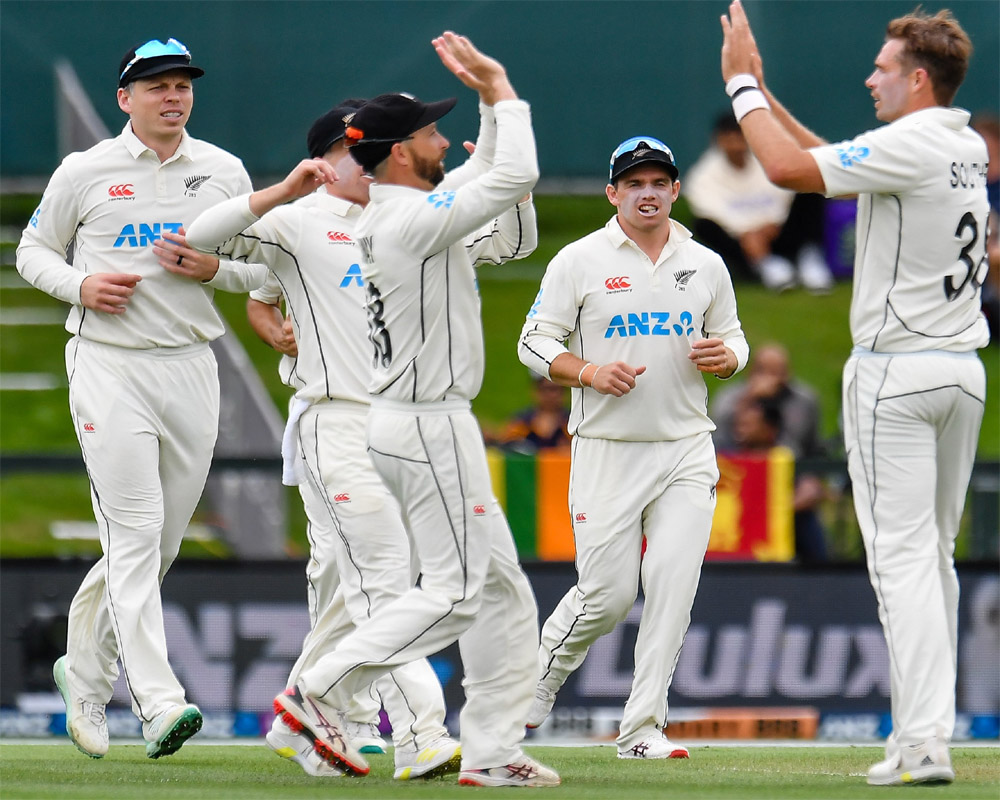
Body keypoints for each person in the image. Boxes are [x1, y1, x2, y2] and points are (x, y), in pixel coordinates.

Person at [269, 33, 559, 787]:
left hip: (421, 421)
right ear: (400, 153)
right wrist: (502, 92)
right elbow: (516, 173)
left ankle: (492, 752)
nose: (439, 139)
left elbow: (489, 174)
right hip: (426, 423)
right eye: (429, 132)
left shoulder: (408, 209)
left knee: (501, 591)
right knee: (458, 593)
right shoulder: (410, 221)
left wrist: (493, 117)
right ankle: (322, 692)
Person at [721, 1, 990, 785]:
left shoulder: (911, 142)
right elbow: (834, 162)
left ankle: (922, 743)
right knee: (931, 557)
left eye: (881, 67)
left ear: (915, 77)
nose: (868, 76)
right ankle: (929, 734)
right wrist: (766, 95)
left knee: (900, 561)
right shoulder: (961, 141)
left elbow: (785, 171)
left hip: (896, 372)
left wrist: (740, 84)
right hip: (959, 374)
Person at [188, 100, 467, 780]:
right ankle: (420, 734)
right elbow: (204, 236)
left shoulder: (407, 220)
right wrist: (284, 189)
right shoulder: (298, 222)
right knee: (383, 583)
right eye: (361, 151)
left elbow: (515, 238)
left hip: (406, 428)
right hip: (336, 424)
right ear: (328, 159)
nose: (375, 163)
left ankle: (308, 717)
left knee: (359, 591)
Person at [15, 38, 267, 759]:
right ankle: (159, 704)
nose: (173, 96)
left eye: (183, 84)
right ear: (125, 99)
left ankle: (83, 674)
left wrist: (215, 268)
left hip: (191, 365)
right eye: (155, 86)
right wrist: (80, 286)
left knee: (154, 547)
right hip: (108, 366)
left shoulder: (222, 171)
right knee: (132, 536)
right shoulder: (86, 171)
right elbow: (34, 252)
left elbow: (262, 272)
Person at [517, 134, 749, 759]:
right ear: (613, 193)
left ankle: (642, 728)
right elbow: (533, 343)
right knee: (610, 593)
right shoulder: (579, 260)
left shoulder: (706, 263)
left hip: (684, 449)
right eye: (634, 184)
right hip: (607, 448)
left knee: (673, 586)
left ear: (676, 191)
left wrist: (727, 358)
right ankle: (537, 680)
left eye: (658, 183)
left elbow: (733, 338)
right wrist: (589, 372)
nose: (647, 194)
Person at [685, 111, 833, 292]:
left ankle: (808, 259)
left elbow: (784, 194)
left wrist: (769, 226)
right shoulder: (703, 175)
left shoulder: (767, 161)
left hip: (778, 233)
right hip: (743, 246)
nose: (735, 144)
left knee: (810, 191)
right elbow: (710, 210)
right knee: (703, 225)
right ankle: (765, 266)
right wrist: (748, 233)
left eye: (738, 135)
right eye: (728, 137)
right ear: (718, 140)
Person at [711, 342, 829, 562]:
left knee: (808, 527)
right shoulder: (730, 399)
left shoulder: (804, 401)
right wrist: (751, 399)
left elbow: (807, 450)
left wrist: (812, 483)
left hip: (786, 485)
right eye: (766, 371)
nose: (772, 379)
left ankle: (823, 575)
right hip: (738, 485)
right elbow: (720, 441)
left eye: (779, 372)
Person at [492, 374, 572, 454]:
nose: (551, 395)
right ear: (535, 391)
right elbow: (502, 447)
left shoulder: (573, 424)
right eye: (545, 389)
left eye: (555, 389)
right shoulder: (520, 423)